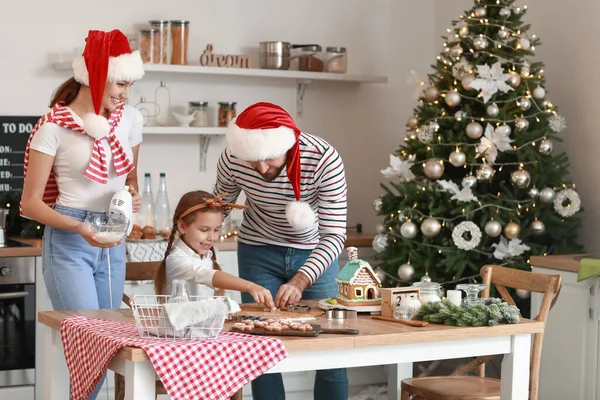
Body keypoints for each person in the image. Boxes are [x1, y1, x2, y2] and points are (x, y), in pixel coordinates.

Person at [20, 29, 145, 399]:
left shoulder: (131, 119)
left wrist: (132, 195)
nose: (124, 94)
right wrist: (80, 226)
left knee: (111, 351)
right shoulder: (52, 127)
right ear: (96, 76)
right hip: (70, 244)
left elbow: (130, 177)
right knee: (91, 349)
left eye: (128, 85)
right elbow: (31, 204)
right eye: (120, 84)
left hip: (114, 239)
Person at [215, 102, 349, 400]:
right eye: (253, 160)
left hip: (316, 252)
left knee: (332, 349)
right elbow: (220, 206)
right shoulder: (233, 157)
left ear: (286, 144)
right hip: (257, 250)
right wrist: (198, 234)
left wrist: (301, 280)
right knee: (260, 348)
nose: (261, 168)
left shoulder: (324, 160)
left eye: (267, 158)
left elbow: (334, 234)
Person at [154, 190, 275, 310]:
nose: (212, 238)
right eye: (204, 230)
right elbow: (206, 275)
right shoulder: (176, 259)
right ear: (182, 226)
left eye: (216, 230)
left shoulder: (211, 253)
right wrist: (250, 286)